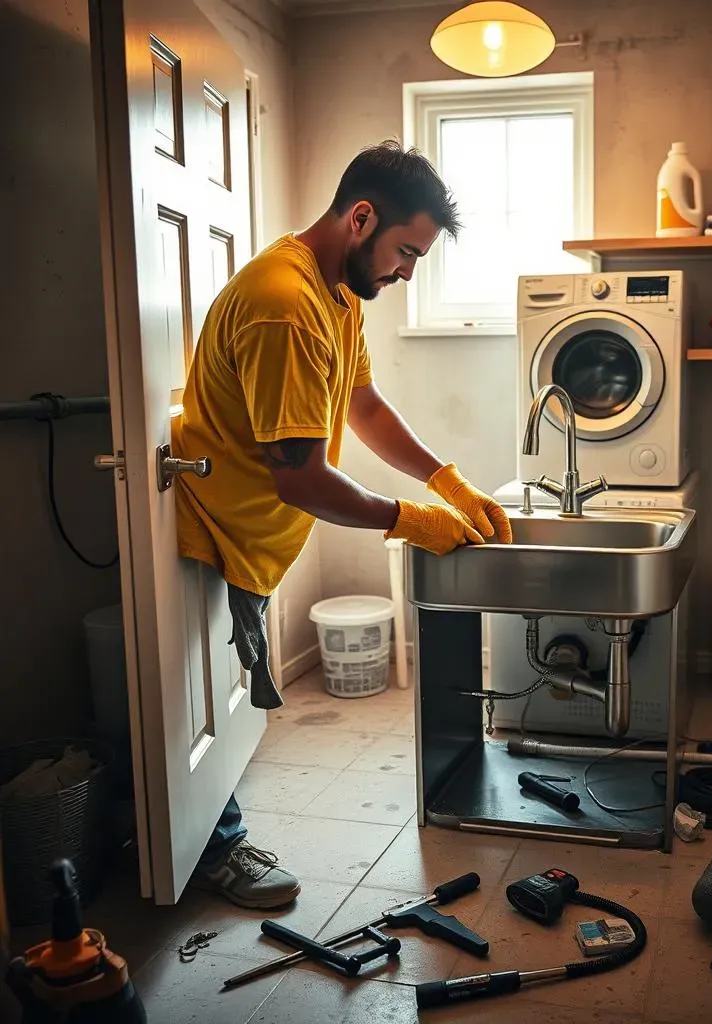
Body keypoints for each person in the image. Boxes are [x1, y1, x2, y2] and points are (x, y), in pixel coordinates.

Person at [171, 140, 512, 909]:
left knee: (214, 713)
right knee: (190, 719)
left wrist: (443, 478)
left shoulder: (337, 294)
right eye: (405, 252)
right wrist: (407, 519)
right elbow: (298, 478)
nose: (406, 272)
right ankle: (211, 852)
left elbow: (362, 407)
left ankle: (199, 837)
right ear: (361, 218)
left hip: (251, 535)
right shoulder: (284, 306)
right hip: (211, 528)